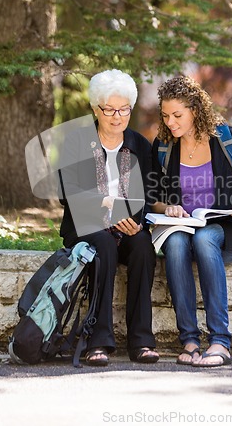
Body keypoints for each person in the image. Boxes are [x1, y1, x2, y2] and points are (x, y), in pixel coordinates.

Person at [150, 75, 232, 367]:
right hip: (181, 226)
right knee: (176, 244)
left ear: (195, 109)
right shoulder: (164, 145)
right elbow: (150, 195)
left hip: (224, 226)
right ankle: (189, 341)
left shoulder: (227, 138)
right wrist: (169, 208)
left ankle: (220, 342)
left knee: (204, 239)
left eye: (177, 115)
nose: (171, 123)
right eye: (165, 116)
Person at [59, 69, 159, 366]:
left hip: (126, 225)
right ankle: (97, 340)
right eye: (110, 109)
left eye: (124, 109)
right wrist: (106, 204)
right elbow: (68, 192)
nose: (117, 117)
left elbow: (149, 190)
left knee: (142, 246)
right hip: (86, 225)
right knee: (103, 244)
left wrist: (135, 219)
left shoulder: (140, 144)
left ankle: (141, 340)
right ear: (95, 109)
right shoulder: (77, 142)